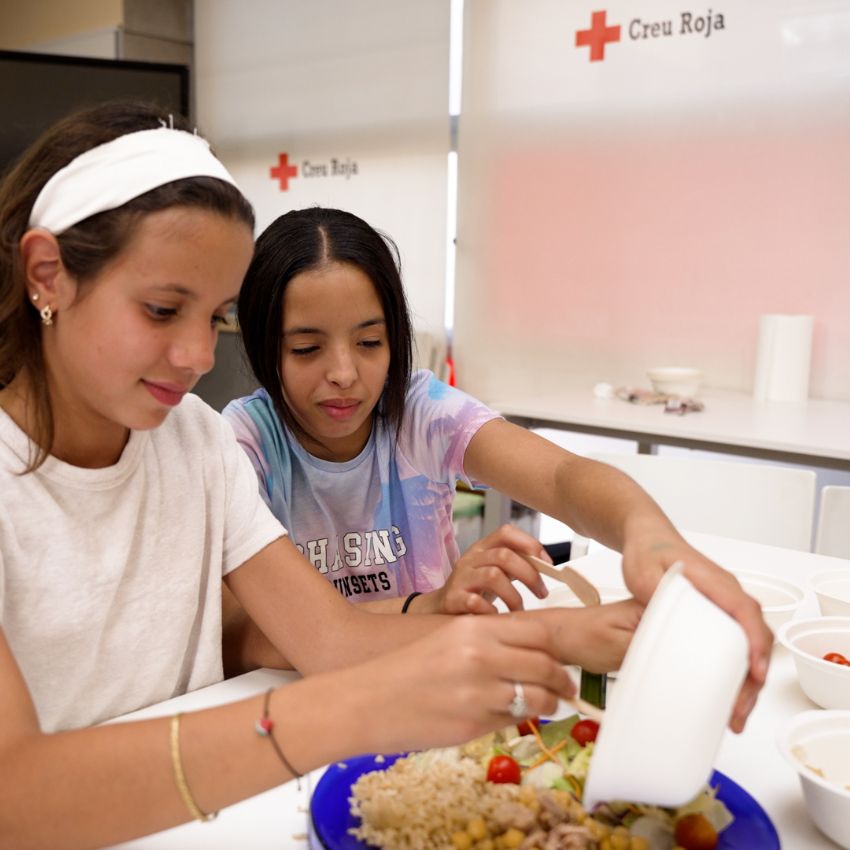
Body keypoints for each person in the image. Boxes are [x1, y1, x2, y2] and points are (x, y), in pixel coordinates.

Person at [0, 101, 646, 849]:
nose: (197, 357)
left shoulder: (196, 444)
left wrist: (578, 633)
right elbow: (18, 796)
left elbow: (329, 639)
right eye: (162, 309)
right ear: (47, 275)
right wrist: (355, 709)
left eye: (212, 318)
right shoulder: (218, 441)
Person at [223, 206, 772, 732]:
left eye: (370, 342)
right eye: (306, 348)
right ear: (263, 347)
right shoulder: (245, 446)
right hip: (298, 713)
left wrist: (647, 536)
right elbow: (249, 639)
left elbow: (562, 479)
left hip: (440, 691)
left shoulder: (417, 413)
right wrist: (431, 607)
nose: (343, 373)